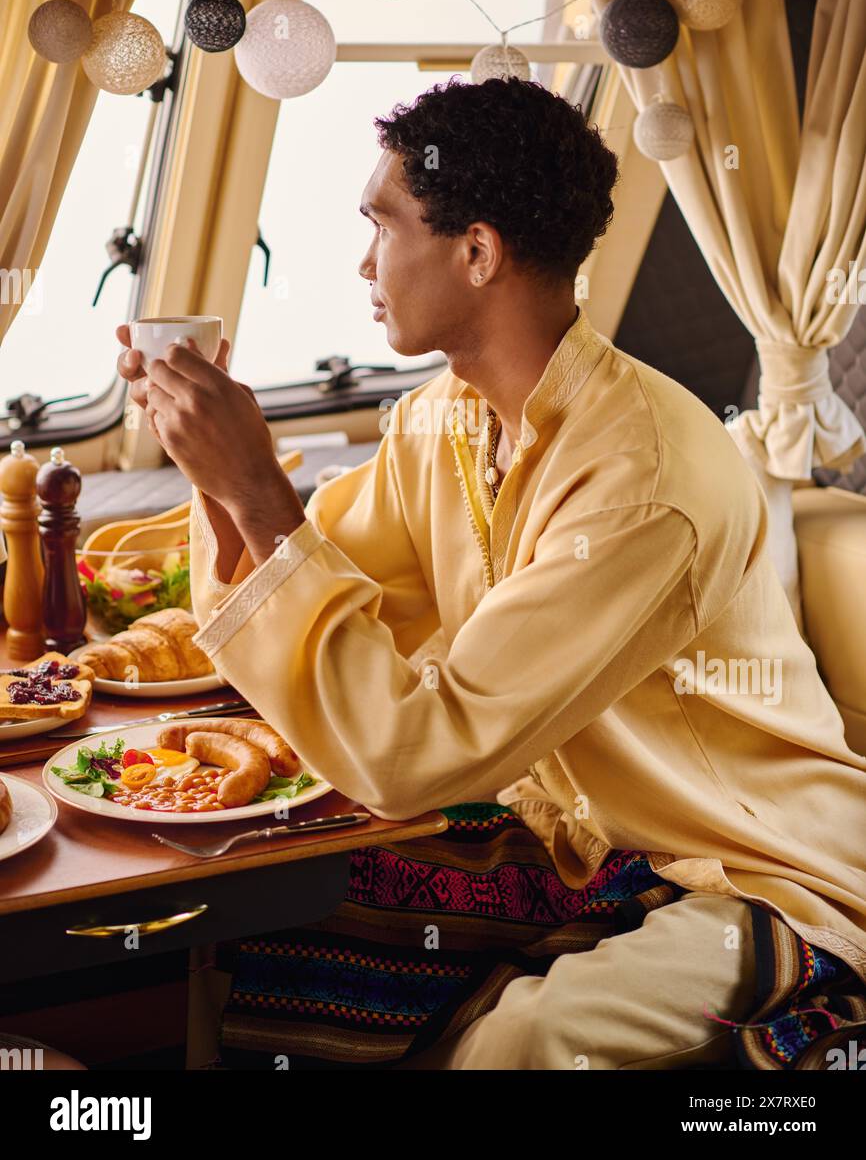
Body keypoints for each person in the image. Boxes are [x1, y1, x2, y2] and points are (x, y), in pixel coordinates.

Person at [117, 77, 866, 1070]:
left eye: (380, 226)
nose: (361, 261)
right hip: (575, 843)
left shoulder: (640, 485)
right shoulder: (442, 418)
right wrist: (216, 475)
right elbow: (316, 579)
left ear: (475, 252)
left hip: (748, 865)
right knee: (251, 927)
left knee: (524, 1039)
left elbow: (411, 754)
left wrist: (255, 484)